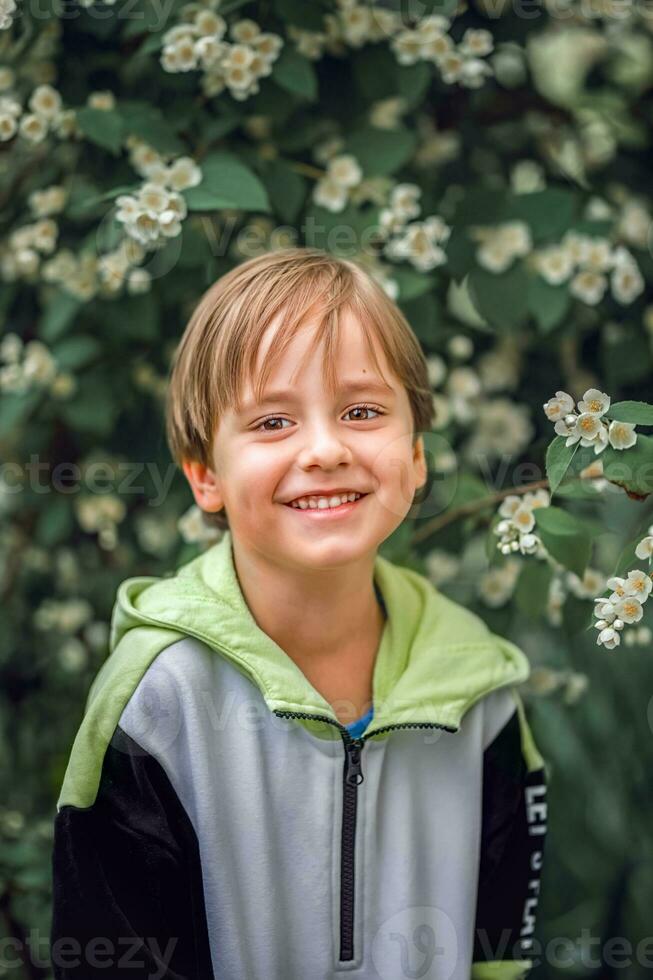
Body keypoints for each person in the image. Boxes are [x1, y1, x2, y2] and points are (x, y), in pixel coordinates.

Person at [50, 247, 548, 980]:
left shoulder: (478, 693)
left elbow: (498, 956)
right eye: (273, 421)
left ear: (415, 456)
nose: (323, 449)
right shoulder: (157, 702)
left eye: (361, 411)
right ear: (204, 475)